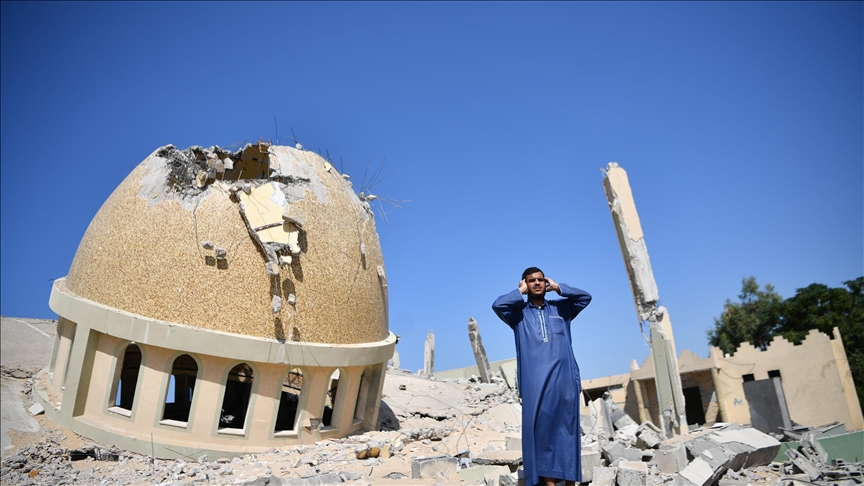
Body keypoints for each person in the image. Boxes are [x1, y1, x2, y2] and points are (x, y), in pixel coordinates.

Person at [492, 267, 592, 486]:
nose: (536, 283)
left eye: (540, 279)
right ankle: (549, 483)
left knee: (567, 432)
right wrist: (518, 293)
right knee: (542, 432)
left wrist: (559, 288)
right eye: (531, 280)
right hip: (535, 384)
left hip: (565, 380)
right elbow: (498, 305)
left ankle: (570, 482)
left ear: (546, 283)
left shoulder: (561, 308)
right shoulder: (517, 314)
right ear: (524, 284)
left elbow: (585, 297)